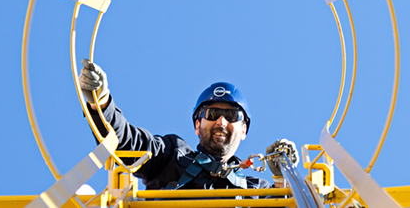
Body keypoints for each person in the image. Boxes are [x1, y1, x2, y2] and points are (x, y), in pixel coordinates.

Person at [79, 59, 297, 191]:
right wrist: (101, 102)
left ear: (244, 130)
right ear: (197, 124)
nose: (221, 122)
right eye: (212, 114)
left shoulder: (254, 190)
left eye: (231, 115)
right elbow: (126, 143)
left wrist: (282, 179)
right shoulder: (171, 156)